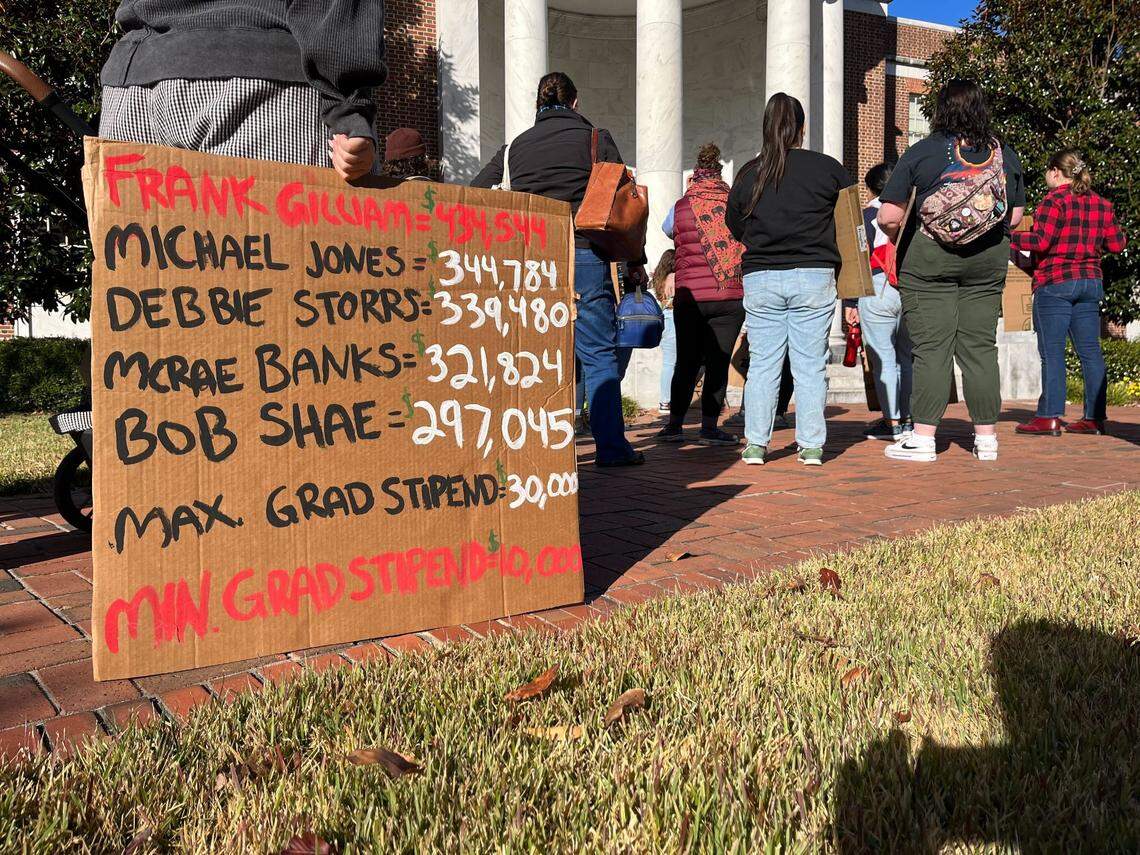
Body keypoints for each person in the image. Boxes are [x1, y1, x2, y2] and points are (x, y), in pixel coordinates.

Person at [472, 71, 646, 466]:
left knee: (536, 356)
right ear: (575, 102)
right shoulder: (595, 139)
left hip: (530, 260)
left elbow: (475, 192)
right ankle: (611, 449)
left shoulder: (513, 148)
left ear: (538, 104)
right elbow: (626, 204)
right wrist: (635, 262)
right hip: (583, 254)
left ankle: (539, 452)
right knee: (598, 354)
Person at [877, 79, 1025, 463]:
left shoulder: (923, 151)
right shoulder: (1004, 153)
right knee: (980, 347)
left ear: (940, 110)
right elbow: (1015, 217)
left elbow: (889, 216)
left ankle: (923, 439)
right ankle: (987, 440)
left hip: (929, 261)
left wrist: (897, 236)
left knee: (932, 349)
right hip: (987, 261)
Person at [98, 1, 386, 181]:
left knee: (141, 261)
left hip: (133, 84)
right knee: (292, 258)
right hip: (263, 82)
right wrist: (349, 108)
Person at [726, 93, 853, 466]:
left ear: (766, 126)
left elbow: (735, 225)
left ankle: (755, 443)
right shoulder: (827, 169)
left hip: (762, 275)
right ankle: (811, 446)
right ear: (802, 128)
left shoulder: (749, 172)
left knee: (763, 362)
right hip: (813, 273)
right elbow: (849, 221)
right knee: (810, 363)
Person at [1011, 149, 1126, 437]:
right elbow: (1117, 244)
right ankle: (1094, 418)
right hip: (1090, 281)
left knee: (1052, 352)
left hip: (1056, 281)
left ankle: (1049, 416)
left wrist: (1011, 237)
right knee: (1090, 352)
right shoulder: (1101, 203)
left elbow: (1041, 240)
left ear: (1055, 171)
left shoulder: (1054, 200)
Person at [656, 143, 746, 446]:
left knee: (686, 361)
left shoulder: (682, 205)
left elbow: (668, 230)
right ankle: (709, 428)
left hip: (691, 296)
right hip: (729, 294)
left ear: (695, 175)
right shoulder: (734, 201)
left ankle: (674, 426)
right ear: (719, 174)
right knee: (718, 363)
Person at [845, 163, 914, 440]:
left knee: (883, 356)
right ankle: (908, 418)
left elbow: (856, 259)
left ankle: (892, 421)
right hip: (909, 286)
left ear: (871, 188)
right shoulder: (913, 213)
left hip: (877, 284)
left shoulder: (866, 216)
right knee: (907, 357)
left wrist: (850, 302)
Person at [650, 250, 678, 416]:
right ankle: (666, 401)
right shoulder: (673, 277)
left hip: (664, 318)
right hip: (674, 316)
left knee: (669, 362)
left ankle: (667, 400)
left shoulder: (658, 278)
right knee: (671, 362)